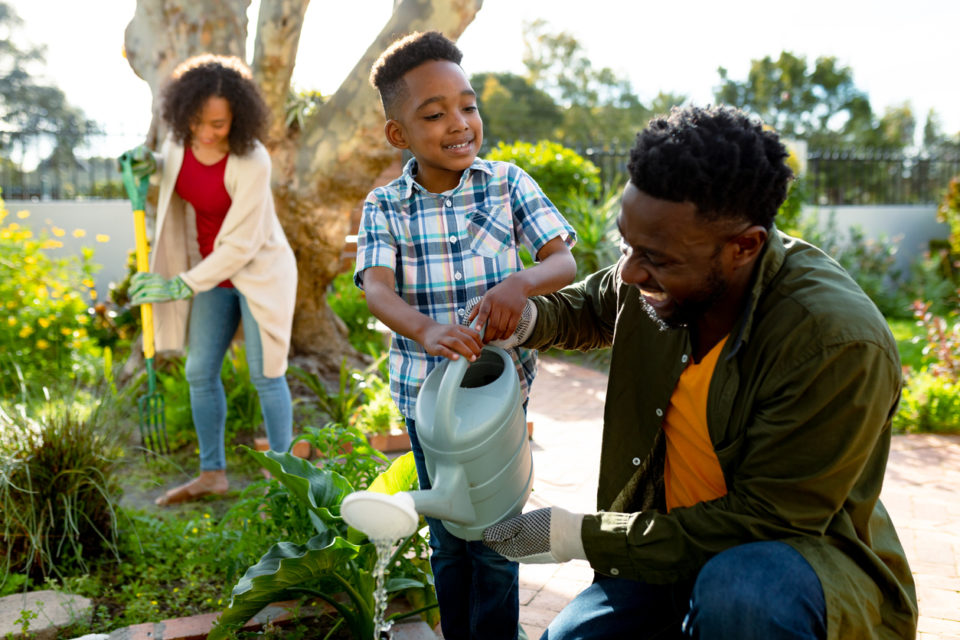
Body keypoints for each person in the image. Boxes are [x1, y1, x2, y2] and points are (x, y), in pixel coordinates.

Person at [482, 105, 918, 639]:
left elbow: (762, 521)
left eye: (657, 260)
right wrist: (516, 320)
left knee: (741, 596)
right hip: (662, 551)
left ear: (745, 246)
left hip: (788, 568)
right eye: (626, 244)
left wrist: (576, 535)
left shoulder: (834, 342)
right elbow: (594, 306)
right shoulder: (657, 268)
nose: (630, 271)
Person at [354, 31, 577, 640]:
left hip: (502, 401)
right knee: (451, 536)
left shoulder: (507, 183)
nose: (459, 123)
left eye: (468, 105)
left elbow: (563, 261)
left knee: (498, 538)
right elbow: (376, 288)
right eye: (434, 113)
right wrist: (425, 330)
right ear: (399, 134)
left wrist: (520, 286)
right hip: (430, 406)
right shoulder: (386, 206)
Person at [122, 54, 297, 507]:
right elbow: (177, 173)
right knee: (199, 370)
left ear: (238, 117)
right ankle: (212, 474)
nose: (206, 132)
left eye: (218, 124)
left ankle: (285, 480)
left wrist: (180, 284)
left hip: (259, 273)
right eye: (198, 121)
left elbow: (240, 247)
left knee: (266, 375)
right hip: (211, 274)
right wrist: (150, 165)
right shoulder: (181, 144)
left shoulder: (252, 160)